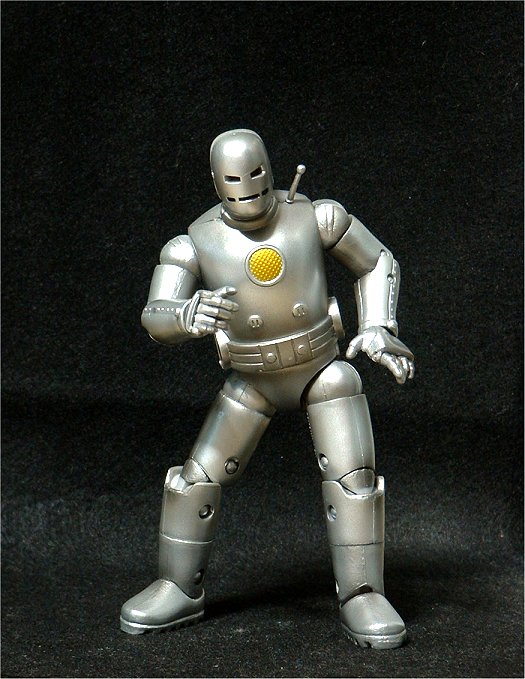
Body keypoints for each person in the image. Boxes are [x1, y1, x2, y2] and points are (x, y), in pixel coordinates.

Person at [120, 129, 415, 649]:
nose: (247, 189)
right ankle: (178, 585)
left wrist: (377, 325)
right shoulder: (193, 244)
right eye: (234, 180)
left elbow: (375, 261)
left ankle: (362, 592)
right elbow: (155, 313)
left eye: (255, 175)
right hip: (251, 379)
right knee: (197, 478)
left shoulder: (316, 216)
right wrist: (185, 314)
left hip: (321, 368)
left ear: (271, 170)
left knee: (354, 479)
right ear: (217, 183)